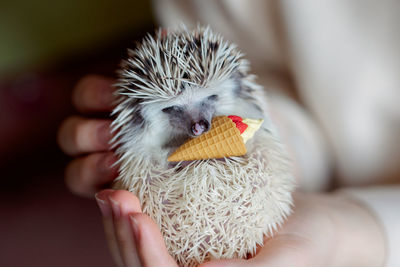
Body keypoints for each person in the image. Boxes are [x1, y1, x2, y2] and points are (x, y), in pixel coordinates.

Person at [58, 1, 400, 266]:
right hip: (321, 198)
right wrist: (286, 137)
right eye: (172, 109)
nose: (197, 123)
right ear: (137, 114)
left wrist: (369, 233)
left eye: (208, 102)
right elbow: (276, 99)